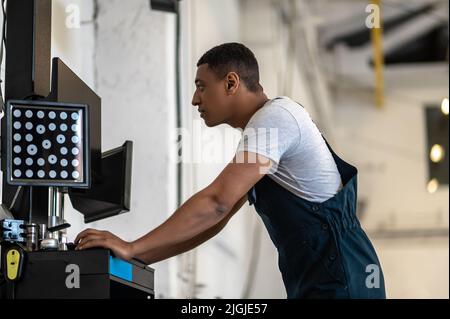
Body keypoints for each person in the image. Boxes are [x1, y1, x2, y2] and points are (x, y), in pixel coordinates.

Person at [75, 42, 386, 299]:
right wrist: (137, 258)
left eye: (201, 86)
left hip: (343, 282)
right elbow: (216, 219)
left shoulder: (275, 118)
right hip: (327, 279)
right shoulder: (264, 133)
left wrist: (132, 247)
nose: (196, 99)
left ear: (231, 83)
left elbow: (216, 202)